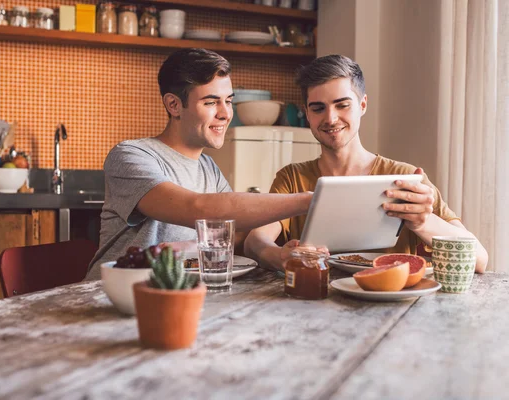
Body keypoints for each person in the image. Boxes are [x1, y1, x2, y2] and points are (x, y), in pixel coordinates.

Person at [244, 54, 488, 274]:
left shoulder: (405, 177)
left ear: (362, 105)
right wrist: (279, 257)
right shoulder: (292, 178)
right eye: (318, 108)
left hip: (392, 307)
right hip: (314, 304)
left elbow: (479, 259)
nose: (330, 118)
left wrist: (424, 221)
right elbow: (255, 240)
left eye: (342, 105)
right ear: (307, 114)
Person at [85, 48, 314, 280]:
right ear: (174, 105)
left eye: (228, 101)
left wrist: (276, 253)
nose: (226, 113)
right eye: (211, 102)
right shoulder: (131, 155)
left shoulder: (208, 168)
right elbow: (197, 208)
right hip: (107, 296)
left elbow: (234, 231)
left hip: (174, 295)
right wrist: (307, 200)